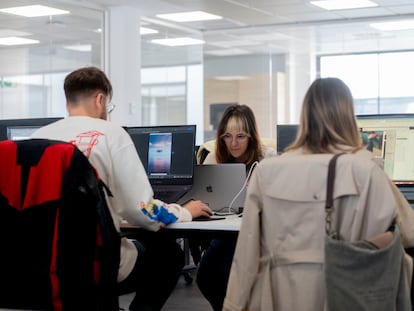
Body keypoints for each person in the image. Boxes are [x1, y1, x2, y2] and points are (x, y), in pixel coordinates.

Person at [223, 77, 414, 310]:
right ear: (349, 117)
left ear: (304, 117)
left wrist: (232, 305)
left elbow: (246, 254)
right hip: (340, 294)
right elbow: (407, 233)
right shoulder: (365, 170)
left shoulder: (266, 171)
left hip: (274, 297)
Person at [31, 66, 212, 311]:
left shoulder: (37, 138)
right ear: (100, 99)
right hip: (93, 262)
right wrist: (185, 211)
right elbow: (143, 212)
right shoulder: (111, 134)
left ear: (68, 103)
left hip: (38, 264)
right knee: (168, 255)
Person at [195, 104, 276, 311]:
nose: (233, 143)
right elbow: (205, 197)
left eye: (240, 136)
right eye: (227, 136)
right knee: (207, 278)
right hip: (222, 230)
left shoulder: (267, 159)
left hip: (256, 232)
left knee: (221, 272)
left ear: (251, 136)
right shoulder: (214, 158)